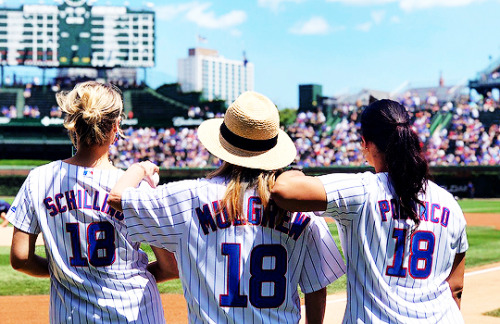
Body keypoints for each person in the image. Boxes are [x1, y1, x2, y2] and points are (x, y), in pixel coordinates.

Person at [107, 91, 346, 324]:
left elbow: (117, 198)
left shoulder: (190, 196)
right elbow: (317, 289)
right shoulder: (299, 210)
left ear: (223, 145)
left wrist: (140, 169)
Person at [271, 99, 468, 323]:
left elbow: (283, 190)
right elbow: (456, 287)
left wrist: (293, 171)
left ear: (365, 143)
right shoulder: (450, 203)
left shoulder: (364, 190)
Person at [7, 81, 178, 323]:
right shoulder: (135, 186)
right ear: (116, 126)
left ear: (73, 125)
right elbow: (171, 267)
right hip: (135, 314)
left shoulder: (38, 179)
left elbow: (20, 257)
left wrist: (68, 273)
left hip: (71, 316)